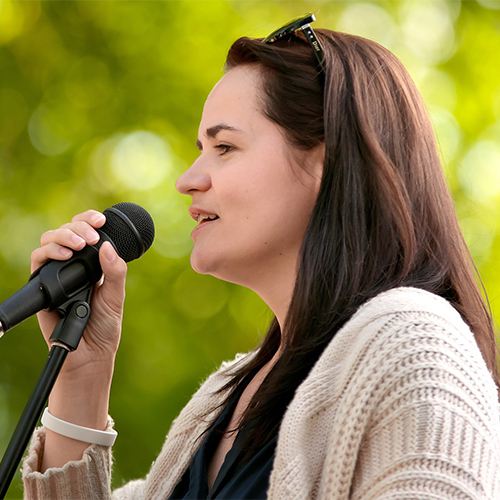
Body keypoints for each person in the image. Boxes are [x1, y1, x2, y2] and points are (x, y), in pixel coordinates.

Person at [22, 14, 500, 499]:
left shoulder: (413, 345)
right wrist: (81, 376)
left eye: (225, 147)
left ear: (326, 162)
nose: (187, 179)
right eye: (201, 149)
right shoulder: (221, 400)